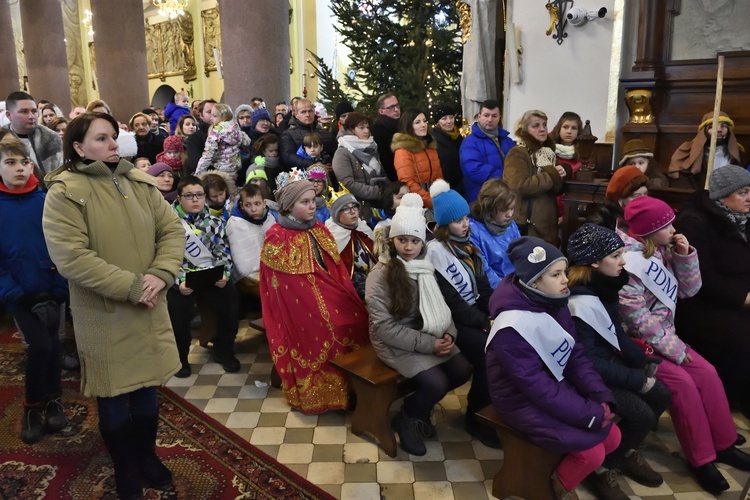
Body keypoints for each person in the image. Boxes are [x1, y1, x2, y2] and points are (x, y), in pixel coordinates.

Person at [43, 112, 184, 499]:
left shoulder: (138, 181)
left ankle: (145, 457)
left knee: (146, 389)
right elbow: (71, 257)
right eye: (102, 138)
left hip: (149, 299)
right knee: (114, 393)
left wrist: (161, 273)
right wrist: (133, 286)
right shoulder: (65, 191)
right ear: (77, 146)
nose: (112, 145)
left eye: (113, 138)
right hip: (105, 308)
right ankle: (125, 467)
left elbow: (171, 229)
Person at [617, 195, 750, 494]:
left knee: (708, 374)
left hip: (666, 338)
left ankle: (724, 444)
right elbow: (637, 320)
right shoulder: (629, 264)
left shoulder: (662, 251)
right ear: (650, 231)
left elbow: (690, 290)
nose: (674, 229)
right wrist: (677, 351)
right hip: (637, 345)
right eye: (667, 225)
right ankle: (701, 460)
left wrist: (685, 254)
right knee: (683, 386)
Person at [487, 236, 624, 500]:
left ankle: (567, 471)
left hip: (553, 387)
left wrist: (599, 396)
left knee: (613, 436)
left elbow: (575, 356)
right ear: (534, 281)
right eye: (556, 274)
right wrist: (589, 414)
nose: (566, 280)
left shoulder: (553, 301)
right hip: (519, 400)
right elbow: (536, 387)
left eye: (564, 272)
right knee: (592, 451)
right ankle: (557, 485)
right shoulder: (511, 326)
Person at [566, 224, 672, 493]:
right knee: (641, 415)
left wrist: (639, 360)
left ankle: (623, 452)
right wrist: (636, 378)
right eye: (615, 256)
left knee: (661, 394)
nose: (623, 261)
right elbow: (588, 363)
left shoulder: (606, 286)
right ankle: (601, 469)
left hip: (609, 364)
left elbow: (616, 331)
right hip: (588, 376)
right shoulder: (579, 301)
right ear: (594, 262)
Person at [366, 193, 472, 456]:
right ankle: (409, 418)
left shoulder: (425, 266)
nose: (409, 247)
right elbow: (385, 328)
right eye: (402, 240)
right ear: (392, 240)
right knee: (435, 382)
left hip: (427, 332)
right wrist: (431, 344)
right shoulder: (379, 276)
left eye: (415, 241)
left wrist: (449, 333)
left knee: (462, 369)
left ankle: (419, 408)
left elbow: (441, 306)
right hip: (393, 340)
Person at [259, 168, 369, 414]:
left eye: (312, 201)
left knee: (360, 318)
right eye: (304, 202)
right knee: (335, 327)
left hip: (330, 296)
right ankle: (329, 392)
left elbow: (337, 271)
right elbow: (287, 292)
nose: (312, 206)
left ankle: (356, 386)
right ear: (287, 206)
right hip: (299, 310)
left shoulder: (318, 229)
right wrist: (328, 309)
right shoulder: (277, 239)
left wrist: (343, 297)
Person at [0, 136, 69, 444]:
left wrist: (56, 290)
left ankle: (53, 398)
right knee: (39, 346)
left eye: (24, 162)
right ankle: (31, 406)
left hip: (51, 287)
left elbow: (63, 247)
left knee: (54, 345)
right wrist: (20, 295)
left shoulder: (45, 200)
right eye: (10, 162)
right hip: (20, 293)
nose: (19, 168)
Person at [425, 179, 499, 447]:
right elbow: (455, 305)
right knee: (489, 353)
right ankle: (476, 417)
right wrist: (486, 322)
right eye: (457, 220)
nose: (465, 224)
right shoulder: (436, 254)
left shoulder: (469, 248)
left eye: (466, 217)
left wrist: (496, 312)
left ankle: (497, 409)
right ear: (445, 225)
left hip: (472, 316)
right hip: (451, 323)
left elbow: (483, 288)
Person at [675, 166, 750, 418]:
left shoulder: (744, 219)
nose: (749, 198)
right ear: (722, 196)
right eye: (743, 192)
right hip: (703, 304)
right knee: (741, 336)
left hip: (738, 297)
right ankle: (728, 401)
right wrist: (743, 298)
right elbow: (703, 278)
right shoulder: (697, 222)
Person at [168, 175, 238, 378]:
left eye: (199, 195)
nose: (196, 200)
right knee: (178, 311)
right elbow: (163, 258)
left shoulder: (215, 222)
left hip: (210, 275)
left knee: (231, 301)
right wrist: (178, 281)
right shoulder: (168, 223)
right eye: (189, 196)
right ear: (179, 198)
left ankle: (224, 351)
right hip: (181, 279)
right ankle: (180, 359)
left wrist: (224, 273)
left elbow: (224, 252)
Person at [503, 109, 568, 246]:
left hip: (547, 225)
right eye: (536, 126)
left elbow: (556, 186)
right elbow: (520, 185)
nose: (542, 129)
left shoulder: (548, 153)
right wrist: (552, 175)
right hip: (529, 226)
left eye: (544, 125)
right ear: (525, 130)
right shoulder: (518, 153)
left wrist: (564, 171)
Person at [669, 110, 745, 190]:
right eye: (712, 126)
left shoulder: (738, 154)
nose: (719, 130)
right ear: (704, 131)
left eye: (723, 126)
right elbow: (677, 175)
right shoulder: (687, 150)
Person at [468, 178, 521, 289]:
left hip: (518, 281)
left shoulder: (511, 224)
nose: (509, 214)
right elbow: (484, 269)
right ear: (489, 207)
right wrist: (506, 290)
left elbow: (521, 253)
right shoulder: (474, 230)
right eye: (503, 210)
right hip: (497, 288)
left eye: (512, 208)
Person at [459, 99, 515, 203]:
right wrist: (505, 177)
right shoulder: (470, 142)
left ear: (499, 118)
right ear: (479, 116)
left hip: (505, 197)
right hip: (481, 199)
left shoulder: (508, 141)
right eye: (486, 115)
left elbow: (516, 164)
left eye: (494, 116)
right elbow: (474, 169)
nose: (490, 119)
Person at [332, 112, 386, 212]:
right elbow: (347, 183)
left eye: (367, 127)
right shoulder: (342, 153)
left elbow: (381, 172)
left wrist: (387, 188)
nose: (366, 131)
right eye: (361, 128)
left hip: (378, 204)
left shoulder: (372, 147)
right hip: (356, 207)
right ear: (351, 130)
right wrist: (376, 192)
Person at [2, 91, 63, 178]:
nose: (31, 116)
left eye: (34, 111)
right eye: (24, 112)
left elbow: (61, 172)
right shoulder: (2, 137)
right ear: (9, 115)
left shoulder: (51, 138)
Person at [325, 193, 375, 298]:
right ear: (337, 214)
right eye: (346, 209)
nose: (352, 212)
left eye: (354, 207)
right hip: (352, 284)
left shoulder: (363, 228)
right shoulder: (333, 237)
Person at [392, 108, 443, 209]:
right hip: (418, 203)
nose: (423, 125)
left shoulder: (430, 146)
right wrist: (430, 201)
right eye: (417, 122)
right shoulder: (403, 150)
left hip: (435, 199)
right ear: (408, 126)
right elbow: (408, 182)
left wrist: (442, 195)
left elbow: (439, 176)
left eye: (424, 121)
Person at [226, 184, 275, 283]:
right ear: (242, 206)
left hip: (273, 270)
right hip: (248, 278)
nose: (253, 209)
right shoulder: (235, 224)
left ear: (264, 203)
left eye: (257, 204)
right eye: (248, 205)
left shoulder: (270, 218)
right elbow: (241, 261)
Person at [195, 104, 250, 180]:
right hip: (234, 168)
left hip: (220, 170)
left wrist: (198, 174)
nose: (211, 118)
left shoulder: (215, 132)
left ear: (223, 116)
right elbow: (247, 141)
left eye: (214, 116)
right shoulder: (236, 129)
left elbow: (207, 155)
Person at [279, 99, 335, 170]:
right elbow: (288, 157)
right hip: (301, 175)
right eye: (303, 112)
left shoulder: (326, 134)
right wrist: (313, 164)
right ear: (296, 115)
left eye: (310, 111)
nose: (308, 115)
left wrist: (333, 164)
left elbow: (336, 153)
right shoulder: (289, 134)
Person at [587, 166, 648, 230]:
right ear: (620, 199)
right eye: (637, 196)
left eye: (645, 194)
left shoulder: (648, 215)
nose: (644, 199)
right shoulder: (599, 223)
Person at [431, 104, 464, 195]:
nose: (449, 121)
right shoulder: (435, 140)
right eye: (444, 118)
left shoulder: (458, 136)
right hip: (448, 187)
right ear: (438, 122)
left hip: (462, 183)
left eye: (451, 117)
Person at [371, 93, 401, 180]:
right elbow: (386, 161)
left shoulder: (402, 124)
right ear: (381, 111)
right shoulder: (378, 130)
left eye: (397, 105)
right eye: (391, 107)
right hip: (395, 179)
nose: (396, 109)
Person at [185, 99, 216, 175]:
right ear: (201, 115)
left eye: (217, 112)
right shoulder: (194, 139)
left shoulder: (230, 133)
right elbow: (196, 165)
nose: (213, 115)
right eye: (209, 112)